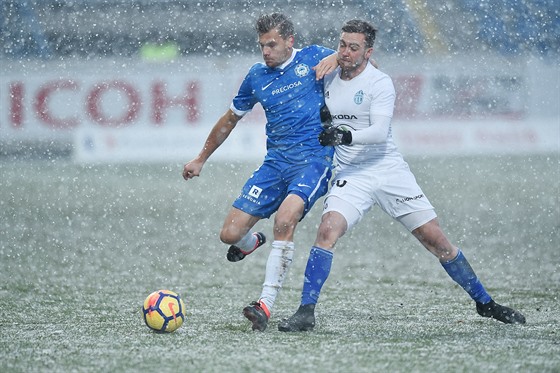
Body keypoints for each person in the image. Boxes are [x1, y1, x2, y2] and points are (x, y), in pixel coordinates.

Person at [278, 19, 526, 332]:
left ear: (368, 52)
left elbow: (380, 132)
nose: (345, 52)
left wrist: (344, 136)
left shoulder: (380, 83)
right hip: (352, 174)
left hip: (388, 169)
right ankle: (306, 311)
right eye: (341, 44)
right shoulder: (327, 75)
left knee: (437, 242)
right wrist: (328, 57)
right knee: (327, 230)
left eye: (354, 47)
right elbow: (297, 59)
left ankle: (484, 302)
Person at [183, 13, 338, 331]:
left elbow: (361, 64)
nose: (265, 51)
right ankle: (251, 241)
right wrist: (201, 158)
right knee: (229, 235)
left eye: (272, 44)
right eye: (262, 45)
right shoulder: (256, 76)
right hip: (276, 163)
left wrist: (338, 56)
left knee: (285, 219)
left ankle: (265, 304)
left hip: (314, 161)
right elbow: (229, 119)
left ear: (289, 41)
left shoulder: (315, 57)